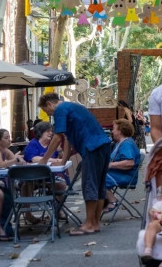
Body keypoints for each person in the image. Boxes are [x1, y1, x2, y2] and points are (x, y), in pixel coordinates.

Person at [38, 92, 111, 236]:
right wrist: (63, 161)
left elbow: (58, 137)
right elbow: (67, 137)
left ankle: (89, 224)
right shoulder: (72, 107)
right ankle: (95, 223)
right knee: (99, 185)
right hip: (103, 145)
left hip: (91, 147)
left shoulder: (60, 110)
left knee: (89, 185)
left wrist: (44, 159)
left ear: (49, 104)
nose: (50, 115)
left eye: (47, 112)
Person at [22, 121, 68, 223]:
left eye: (51, 131)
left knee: (61, 185)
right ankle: (28, 214)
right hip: (32, 177)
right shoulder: (33, 144)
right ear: (40, 133)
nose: (51, 133)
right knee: (26, 185)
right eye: (47, 131)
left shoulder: (53, 144)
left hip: (49, 177)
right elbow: (34, 159)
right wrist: (52, 160)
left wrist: (60, 151)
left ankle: (59, 209)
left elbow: (62, 159)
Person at [104, 119, 140, 212]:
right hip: (120, 174)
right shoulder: (120, 143)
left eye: (114, 129)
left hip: (126, 176)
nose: (112, 131)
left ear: (120, 130)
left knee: (97, 179)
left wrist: (111, 165)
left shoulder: (127, 144)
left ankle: (112, 200)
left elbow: (129, 163)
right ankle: (105, 200)